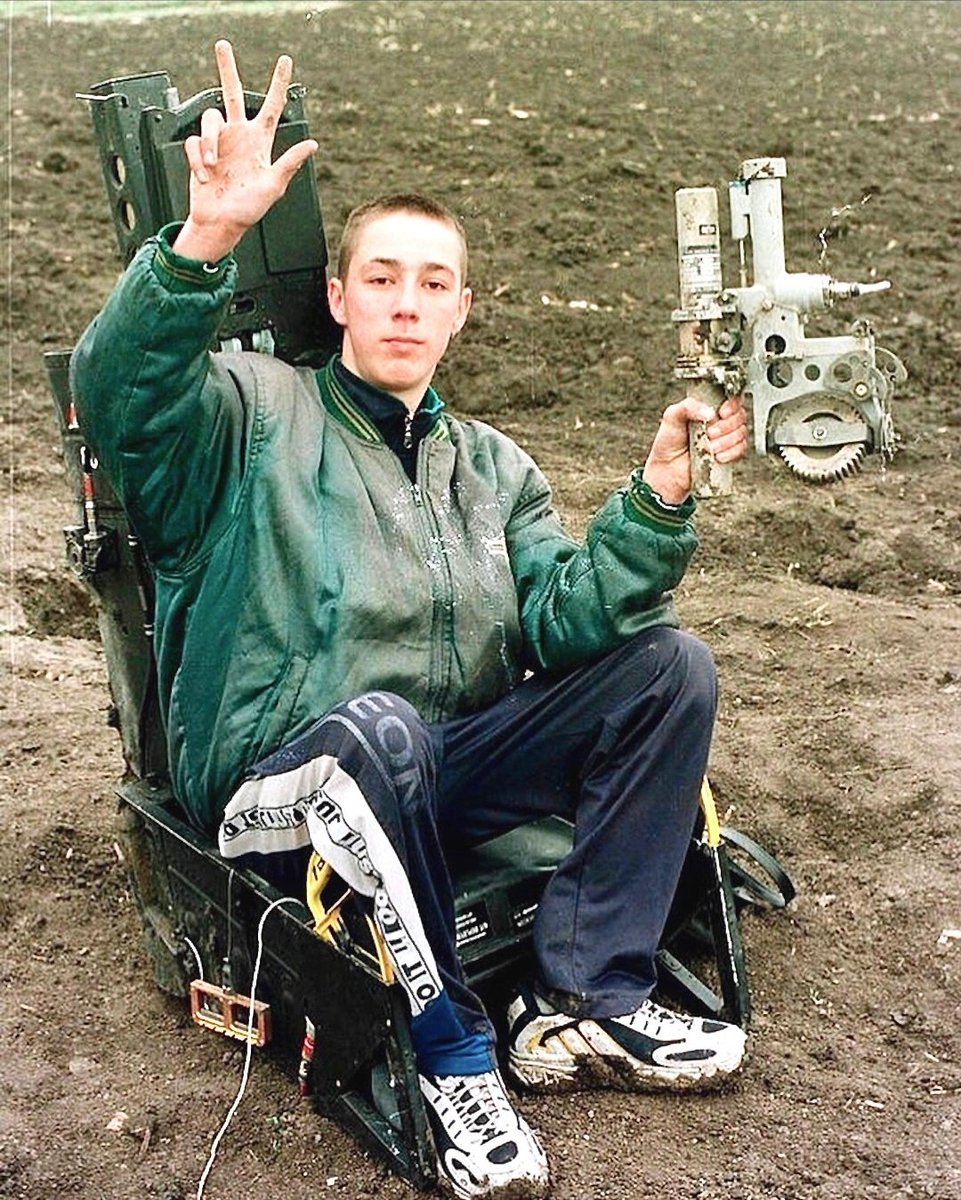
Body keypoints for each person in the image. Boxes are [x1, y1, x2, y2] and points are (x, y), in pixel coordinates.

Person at [71, 41, 750, 1200]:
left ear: (461, 311)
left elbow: (570, 620)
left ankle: (586, 1001)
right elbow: (116, 392)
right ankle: (452, 1062)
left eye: (432, 283)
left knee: (668, 665)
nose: (405, 301)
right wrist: (208, 242)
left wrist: (657, 500)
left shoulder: (491, 465)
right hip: (274, 780)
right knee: (377, 730)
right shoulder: (245, 418)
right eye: (381, 276)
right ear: (339, 296)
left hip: (429, 770)